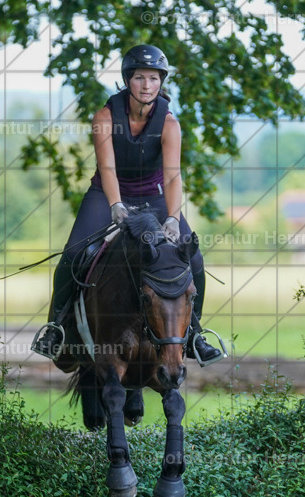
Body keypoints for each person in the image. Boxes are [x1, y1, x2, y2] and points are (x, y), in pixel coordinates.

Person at [32, 44, 225, 366]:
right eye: (139, 78)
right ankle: (55, 327)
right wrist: (116, 205)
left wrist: (174, 218)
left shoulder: (169, 123)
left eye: (153, 78)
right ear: (127, 80)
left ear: (161, 82)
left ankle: (195, 334)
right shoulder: (104, 117)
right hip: (107, 193)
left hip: (154, 197)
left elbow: (173, 176)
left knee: (195, 258)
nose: (147, 85)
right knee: (73, 253)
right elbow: (107, 169)